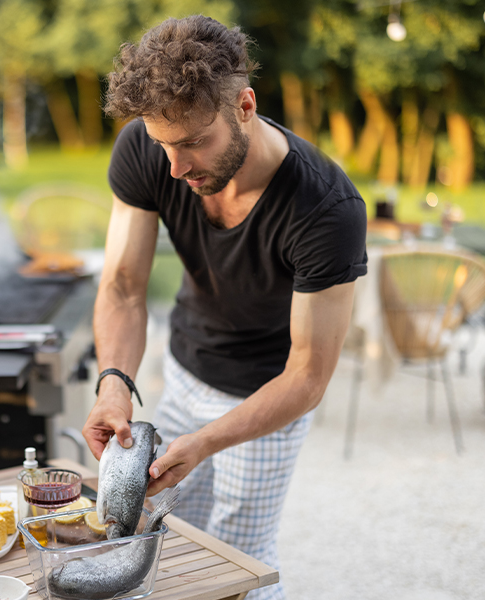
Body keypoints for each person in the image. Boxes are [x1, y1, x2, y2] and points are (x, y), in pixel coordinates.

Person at [82, 15, 367, 600]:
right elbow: (123, 287)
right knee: (171, 542)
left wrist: (205, 442)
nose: (175, 168)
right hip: (188, 369)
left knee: (239, 564)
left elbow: (308, 376)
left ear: (244, 105)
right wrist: (114, 383)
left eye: (192, 143)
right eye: (163, 145)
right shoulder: (147, 147)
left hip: (268, 396)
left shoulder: (326, 209)